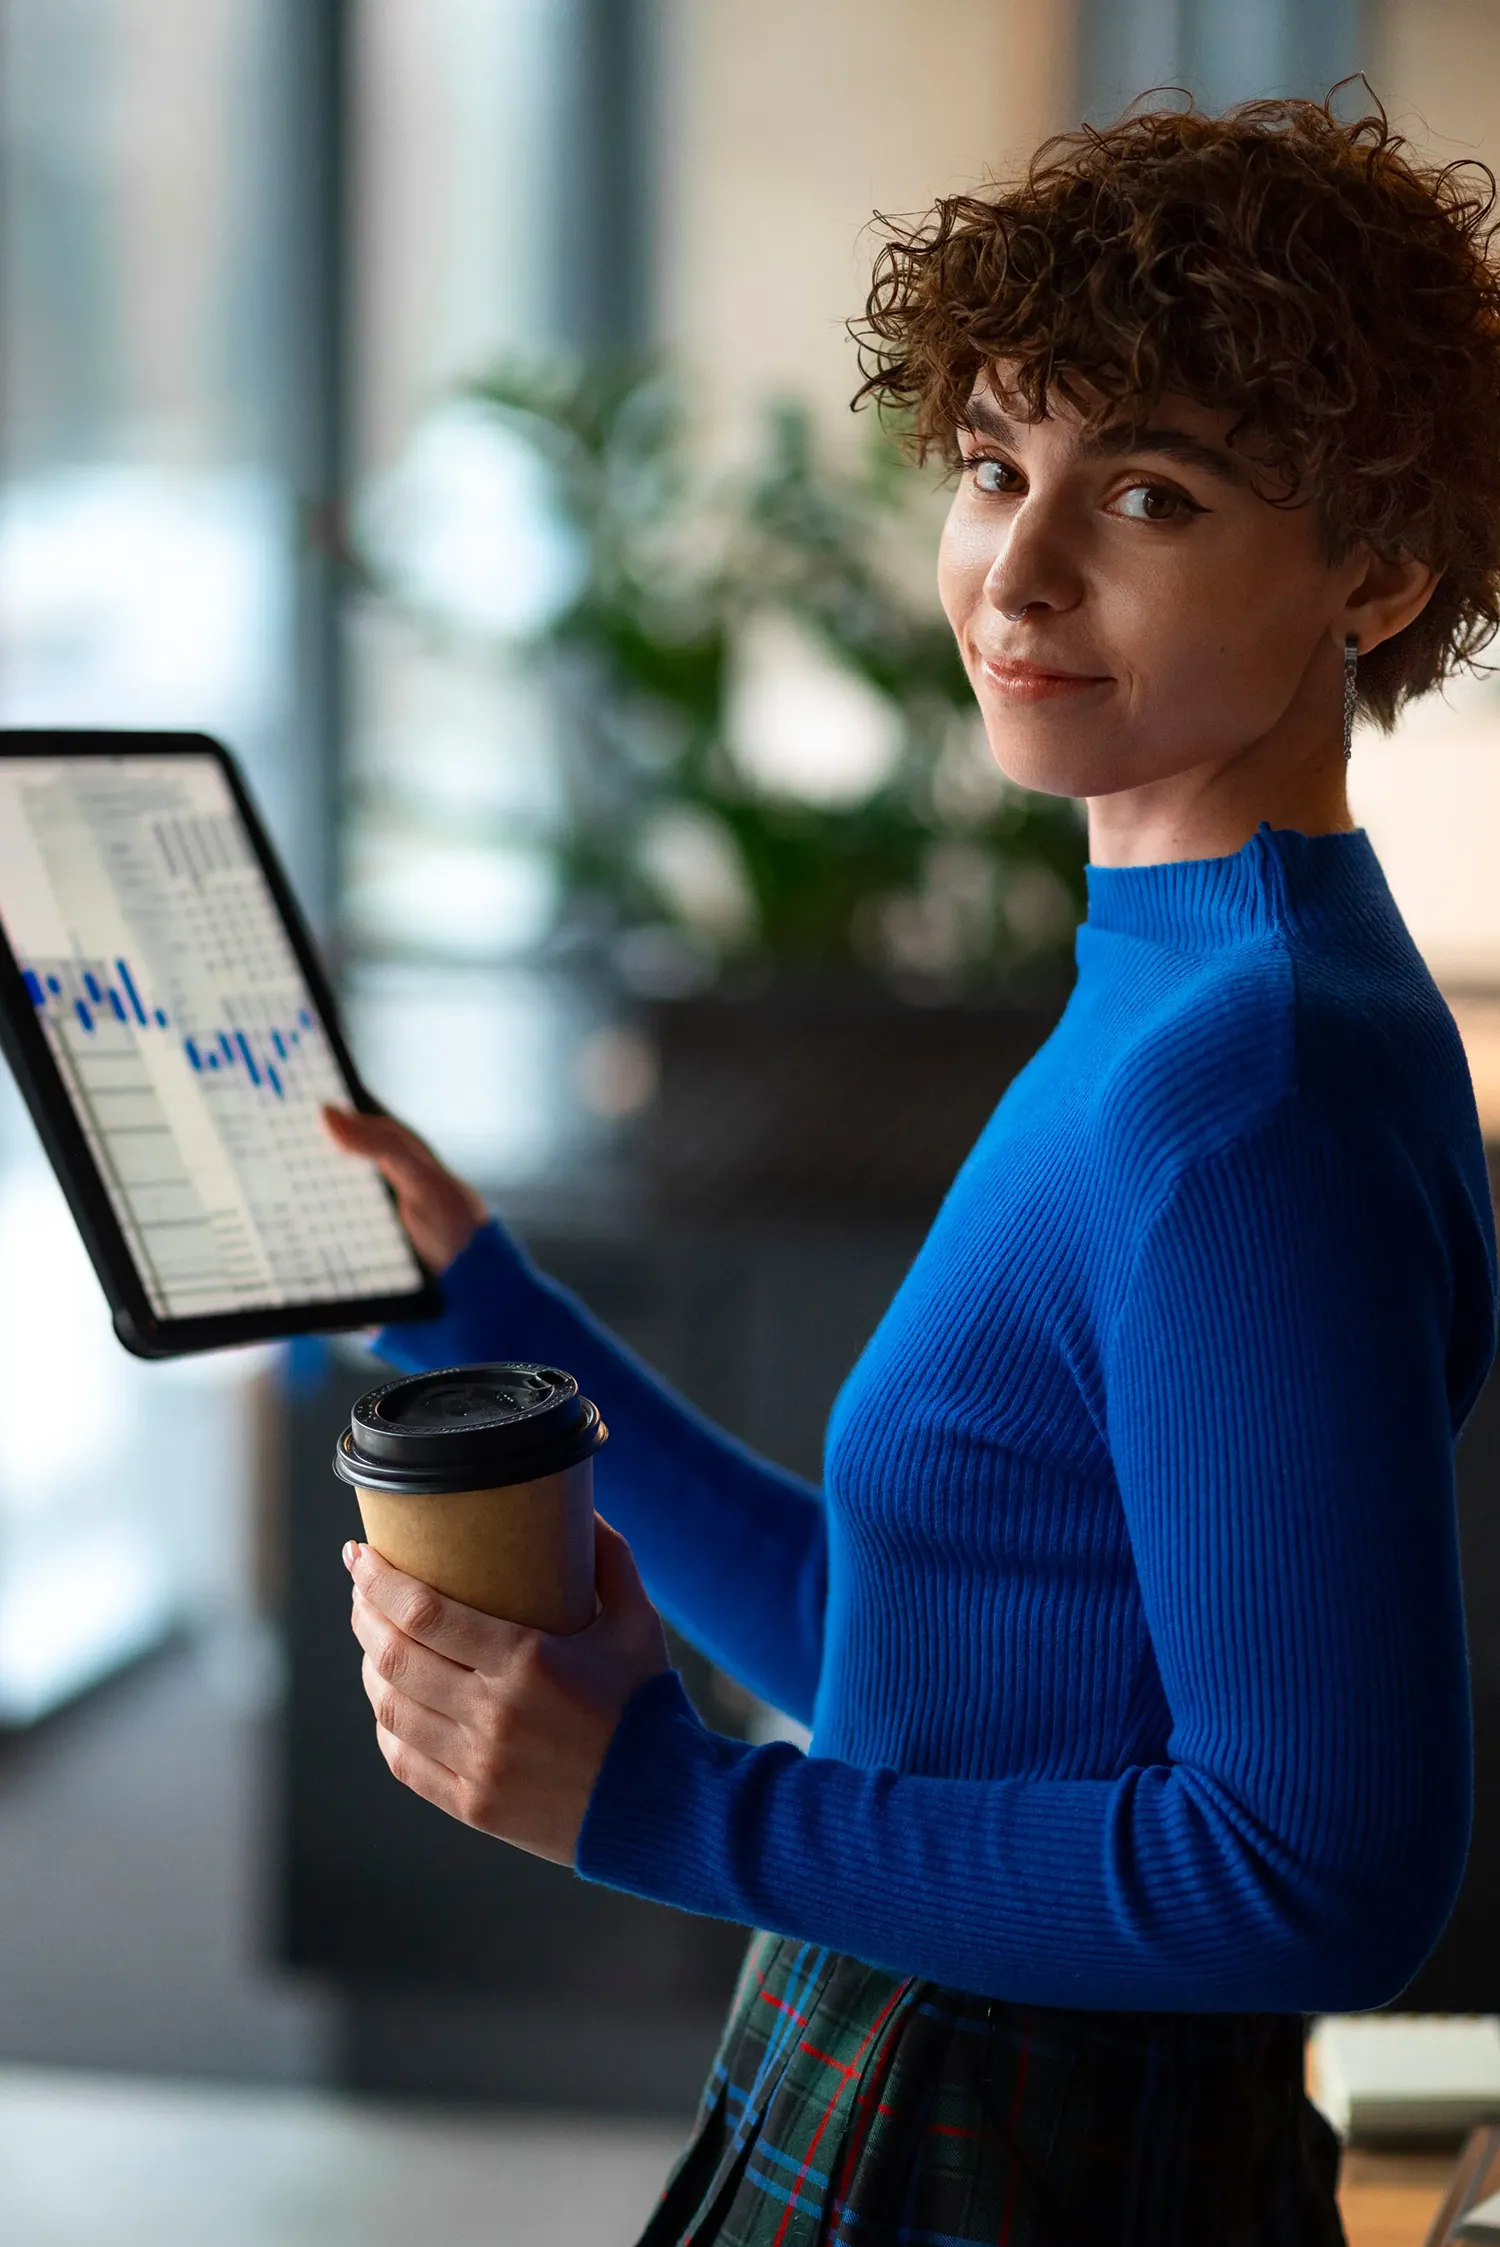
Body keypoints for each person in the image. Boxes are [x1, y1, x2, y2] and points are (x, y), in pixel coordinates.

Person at [324, 90, 1500, 2244]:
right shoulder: (1186, 985)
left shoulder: (1250, 1097)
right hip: (919, 2055)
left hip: (1026, 2134)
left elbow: (1321, 1876)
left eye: (1145, 491)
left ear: (1381, 563)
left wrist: (669, 1808)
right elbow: (940, 1663)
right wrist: (480, 1305)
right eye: (991, 465)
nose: (1018, 570)